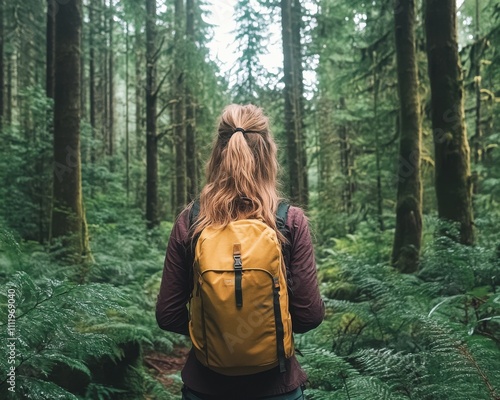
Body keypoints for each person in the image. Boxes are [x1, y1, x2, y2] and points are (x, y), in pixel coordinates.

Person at [156, 104, 325, 400]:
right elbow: (308, 315)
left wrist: (215, 331)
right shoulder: (288, 220)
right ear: (269, 154)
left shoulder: (191, 221)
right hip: (277, 387)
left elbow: (168, 315)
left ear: (217, 153)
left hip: (205, 386)